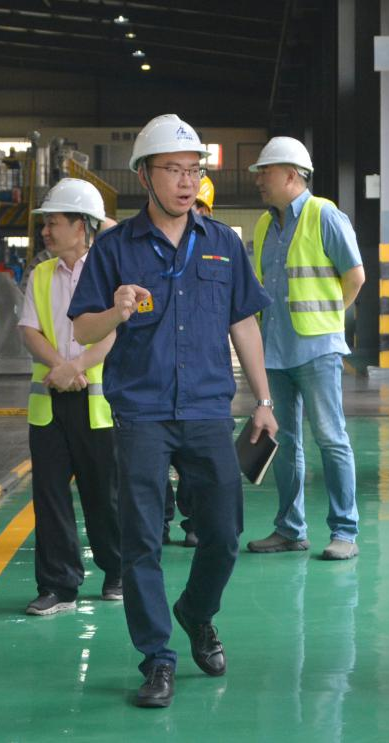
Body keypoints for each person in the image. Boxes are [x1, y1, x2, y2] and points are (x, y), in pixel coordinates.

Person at [69, 114, 277, 709]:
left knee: (225, 532)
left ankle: (196, 612)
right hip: (141, 412)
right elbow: (83, 329)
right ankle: (157, 658)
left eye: (193, 170)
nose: (187, 182)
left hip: (208, 409)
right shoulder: (115, 249)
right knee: (142, 541)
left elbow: (243, 322)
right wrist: (116, 310)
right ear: (145, 176)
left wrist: (263, 402)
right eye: (173, 170)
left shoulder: (223, 244)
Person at [244, 137, 365, 561]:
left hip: (317, 349)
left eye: (266, 172)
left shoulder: (324, 215)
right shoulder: (264, 226)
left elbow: (355, 276)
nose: (259, 179)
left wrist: (329, 318)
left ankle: (345, 531)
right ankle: (290, 529)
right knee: (284, 441)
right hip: (275, 350)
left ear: (292, 175)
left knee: (331, 438)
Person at [18, 178, 121, 616]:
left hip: (98, 405)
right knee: (50, 497)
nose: (45, 231)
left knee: (105, 494)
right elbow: (29, 329)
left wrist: (76, 367)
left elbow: (116, 331)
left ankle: (118, 573)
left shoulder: (110, 272)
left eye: (53, 223)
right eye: (45, 224)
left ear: (82, 226)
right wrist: (60, 367)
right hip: (49, 404)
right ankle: (58, 585)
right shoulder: (41, 274)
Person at [162, 174, 218, 548]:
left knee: (195, 464)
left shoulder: (219, 251)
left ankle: (195, 521)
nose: (193, 213)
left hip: (200, 378)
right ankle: (160, 522)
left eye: (200, 208)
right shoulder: (152, 248)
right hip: (158, 375)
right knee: (154, 464)